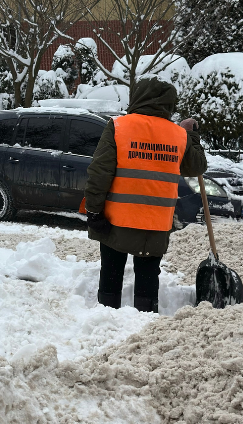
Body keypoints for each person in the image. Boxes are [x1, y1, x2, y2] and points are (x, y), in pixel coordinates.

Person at [82, 77, 206, 313]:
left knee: (111, 272)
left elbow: (100, 172)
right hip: (156, 223)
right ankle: (145, 321)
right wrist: (192, 136)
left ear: (137, 97)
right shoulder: (178, 135)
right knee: (148, 278)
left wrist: (94, 210)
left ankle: (107, 318)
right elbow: (197, 167)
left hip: (117, 220)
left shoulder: (119, 127)